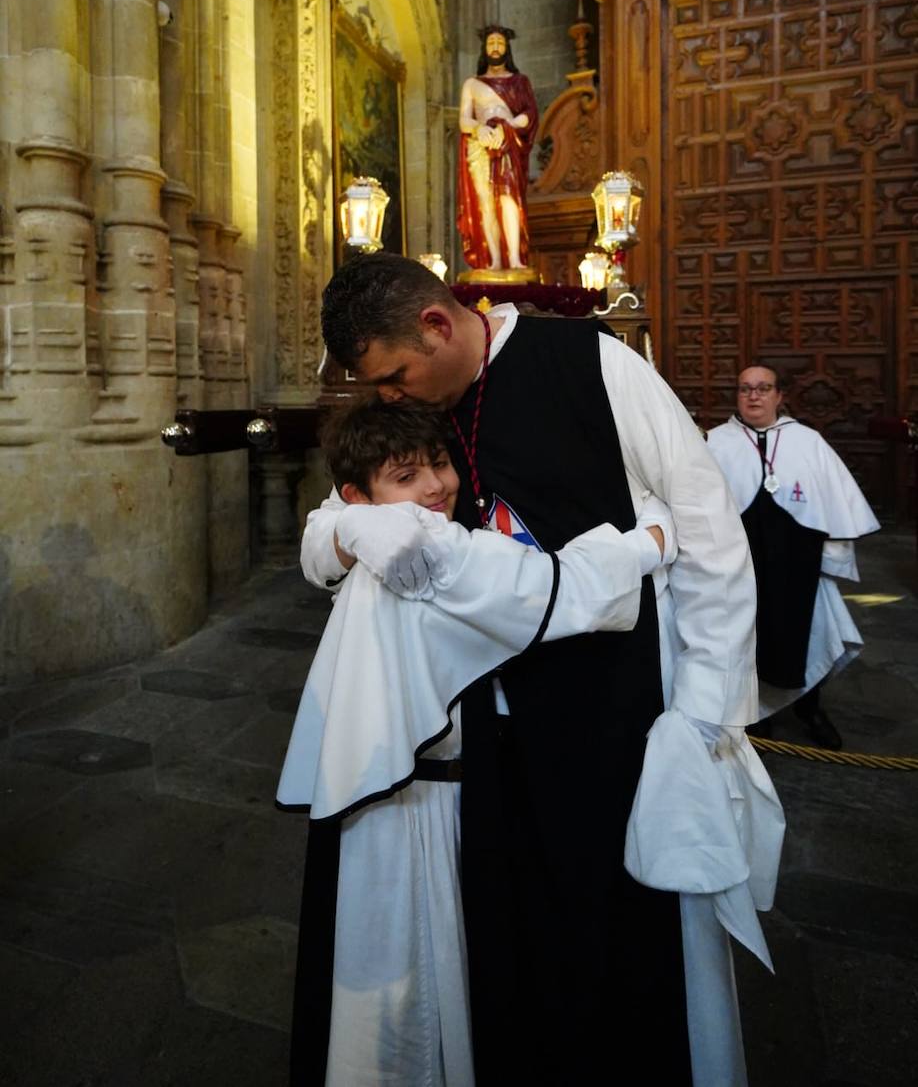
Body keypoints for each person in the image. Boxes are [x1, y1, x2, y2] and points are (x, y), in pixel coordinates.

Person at [306, 253, 785, 1087]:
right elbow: (346, 512)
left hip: (614, 713)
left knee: (621, 937)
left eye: (391, 375)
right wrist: (337, 540)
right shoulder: (421, 413)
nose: (387, 394)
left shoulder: (592, 363)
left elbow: (707, 530)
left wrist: (702, 711)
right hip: (486, 744)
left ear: (436, 325)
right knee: (509, 943)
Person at [280, 397, 675, 1086]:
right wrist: (651, 541)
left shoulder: (388, 530)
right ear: (360, 494)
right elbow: (559, 585)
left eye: (439, 464)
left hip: (385, 788)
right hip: (415, 803)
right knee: (415, 974)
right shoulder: (429, 546)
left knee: (390, 972)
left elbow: (325, 531)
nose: (435, 487)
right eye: (407, 476)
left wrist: (344, 526)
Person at [707, 362, 879, 749]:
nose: (753, 396)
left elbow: (833, 503)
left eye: (763, 388)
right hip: (741, 565)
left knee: (807, 632)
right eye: (745, 388)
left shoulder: (808, 442)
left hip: (796, 565)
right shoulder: (716, 442)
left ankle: (810, 710)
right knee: (746, 636)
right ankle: (756, 715)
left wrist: (832, 559)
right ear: (737, 395)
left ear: (779, 396)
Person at [456, 25, 538, 273]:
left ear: (507, 48)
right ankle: (493, 261)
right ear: (484, 48)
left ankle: (514, 259)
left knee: (508, 198)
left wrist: (508, 127)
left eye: (500, 43)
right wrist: (479, 129)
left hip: (507, 143)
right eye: (491, 42)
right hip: (480, 145)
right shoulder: (472, 84)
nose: (495, 47)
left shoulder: (519, 82)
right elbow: (463, 120)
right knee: (485, 202)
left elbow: (530, 113)